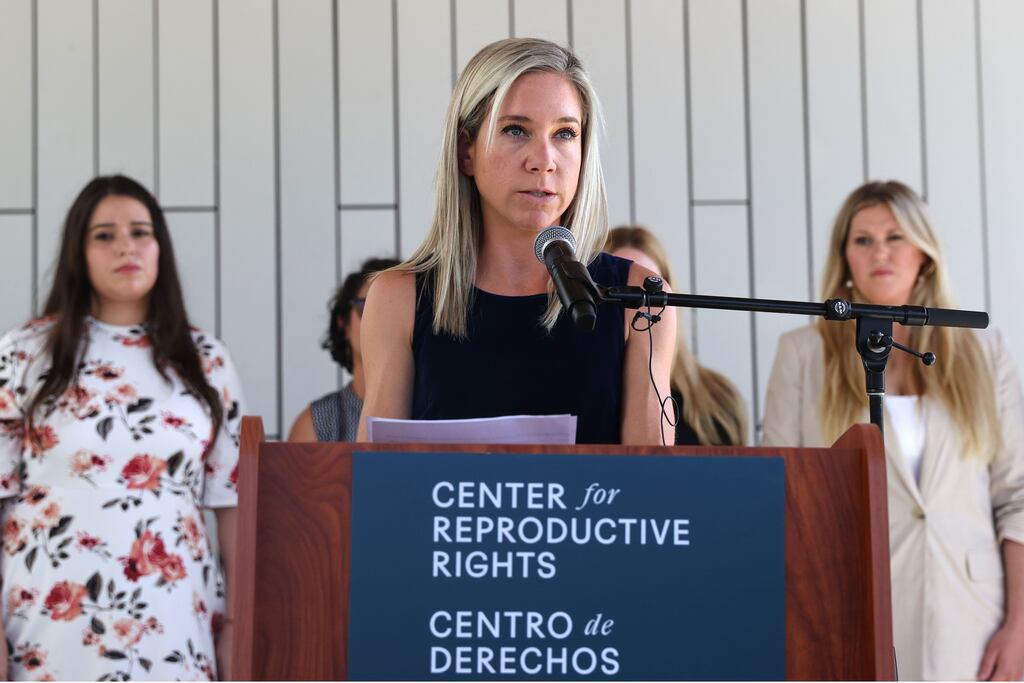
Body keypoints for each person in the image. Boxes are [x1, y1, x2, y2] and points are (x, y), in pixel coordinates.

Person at [762, 180, 1024, 680]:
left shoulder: (984, 352)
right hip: (850, 610)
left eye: (895, 236)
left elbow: (1018, 497)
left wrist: (1021, 626)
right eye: (863, 239)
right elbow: (783, 496)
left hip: (973, 620)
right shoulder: (802, 353)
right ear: (845, 256)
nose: (880, 251)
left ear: (924, 252)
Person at [357, 38, 675, 445]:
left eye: (564, 133)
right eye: (516, 130)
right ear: (465, 150)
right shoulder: (397, 299)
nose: (543, 160)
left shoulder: (638, 300)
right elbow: (377, 485)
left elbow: (656, 489)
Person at [0, 175, 244, 680]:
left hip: (174, 619)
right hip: (46, 616)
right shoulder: (24, 353)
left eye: (140, 232)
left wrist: (239, 625)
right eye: (104, 235)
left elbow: (231, 504)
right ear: (78, 252)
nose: (125, 247)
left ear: (160, 247)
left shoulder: (205, 360)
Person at [605, 226, 747, 445]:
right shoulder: (579, 392)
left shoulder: (719, 401)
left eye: (646, 289)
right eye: (617, 290)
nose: (632, 306)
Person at [287, 257, 398, 442]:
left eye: (399, 310)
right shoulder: (315, 427)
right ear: (343, 324)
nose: (384, 319)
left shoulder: (438, 415)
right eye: (369, 306)